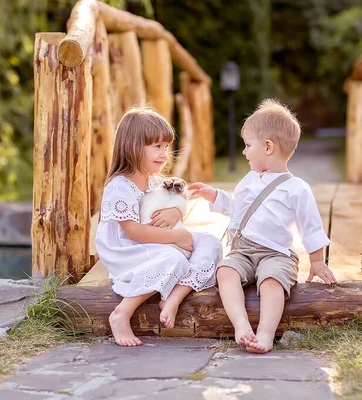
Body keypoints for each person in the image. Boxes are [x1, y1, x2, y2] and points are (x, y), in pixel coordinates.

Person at [189, 99, 337, 354]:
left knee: (271, 281)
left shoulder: (297, 188)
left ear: (268, 147)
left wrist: (317, 261)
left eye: (248, 145)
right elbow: (238, 208)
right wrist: (215, 196)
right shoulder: (248, 181)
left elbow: (310, 227)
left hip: (276, 252)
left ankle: (266, 334)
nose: (244, 152)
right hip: (244, 250)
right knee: (225, 272)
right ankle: (241, 324)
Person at [95, 107, 223, 347]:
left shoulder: (155, 182)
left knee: (211, 243)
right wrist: (175, 236)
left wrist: (175, 211)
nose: (164, 153)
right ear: (133, 146)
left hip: (158, 243)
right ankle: (122, 313)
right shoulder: (119, 186)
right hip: (129, 249)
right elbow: (132, 232)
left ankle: (174, 298)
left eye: (166, 146)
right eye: (156, 146)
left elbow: (178, 199)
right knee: (174, 260)